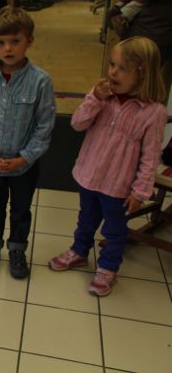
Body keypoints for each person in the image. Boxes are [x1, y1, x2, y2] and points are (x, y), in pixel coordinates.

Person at [49, 37, 167, 297]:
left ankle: (107, 268)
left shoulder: (154, 112)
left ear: (142, 74)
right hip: (89, 176)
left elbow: (150, 156)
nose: (113, 72)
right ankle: (79, 251)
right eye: (112, 64)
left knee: (114, 230)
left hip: (119, 187)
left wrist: (140, 192)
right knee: (86, 219)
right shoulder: (102, 97)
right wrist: (94, 98)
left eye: (122, 68)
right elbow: (77, 124)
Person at [0, 5, 56, 279]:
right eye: (1, 42)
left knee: (20, 210)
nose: (8, 48)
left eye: (15, 41)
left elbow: (45, 126)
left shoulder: (41, 82)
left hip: (23, 167)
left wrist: (25, 157)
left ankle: (17, 249)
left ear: (29, 41)